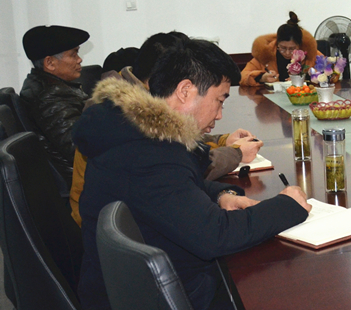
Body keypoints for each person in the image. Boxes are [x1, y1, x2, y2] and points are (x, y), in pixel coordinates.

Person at [75, 39, 310, 310]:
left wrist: (222, 195)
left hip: (146, 291)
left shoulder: (133, 131)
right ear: (185, 91)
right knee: (293, 305)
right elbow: (215, 236)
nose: (221, 115)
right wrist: (288, 205)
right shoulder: (149, 154)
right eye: (220, 100)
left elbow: (179, 187)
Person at [68, 32, 262, 225]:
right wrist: (235, 153)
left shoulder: (134, 104)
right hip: (106, 225)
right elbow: (181, 169)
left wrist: (221, 141)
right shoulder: (124, 119)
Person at [19, 24, 91, 185]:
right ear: (50, 63)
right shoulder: (50, 98)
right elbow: (80, 148)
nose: (79, 59)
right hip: (84, 181)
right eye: (73, 54)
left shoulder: (46, 87)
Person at [240, 11, 322, 85]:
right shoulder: (265, 54)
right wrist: (261, 77)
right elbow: (242, 76)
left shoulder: (311, 54)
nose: (287, 53)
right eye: (283, 48)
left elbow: (328, 72)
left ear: (299, 45)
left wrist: (304, 78)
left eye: (292, 49)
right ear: (277, 43)